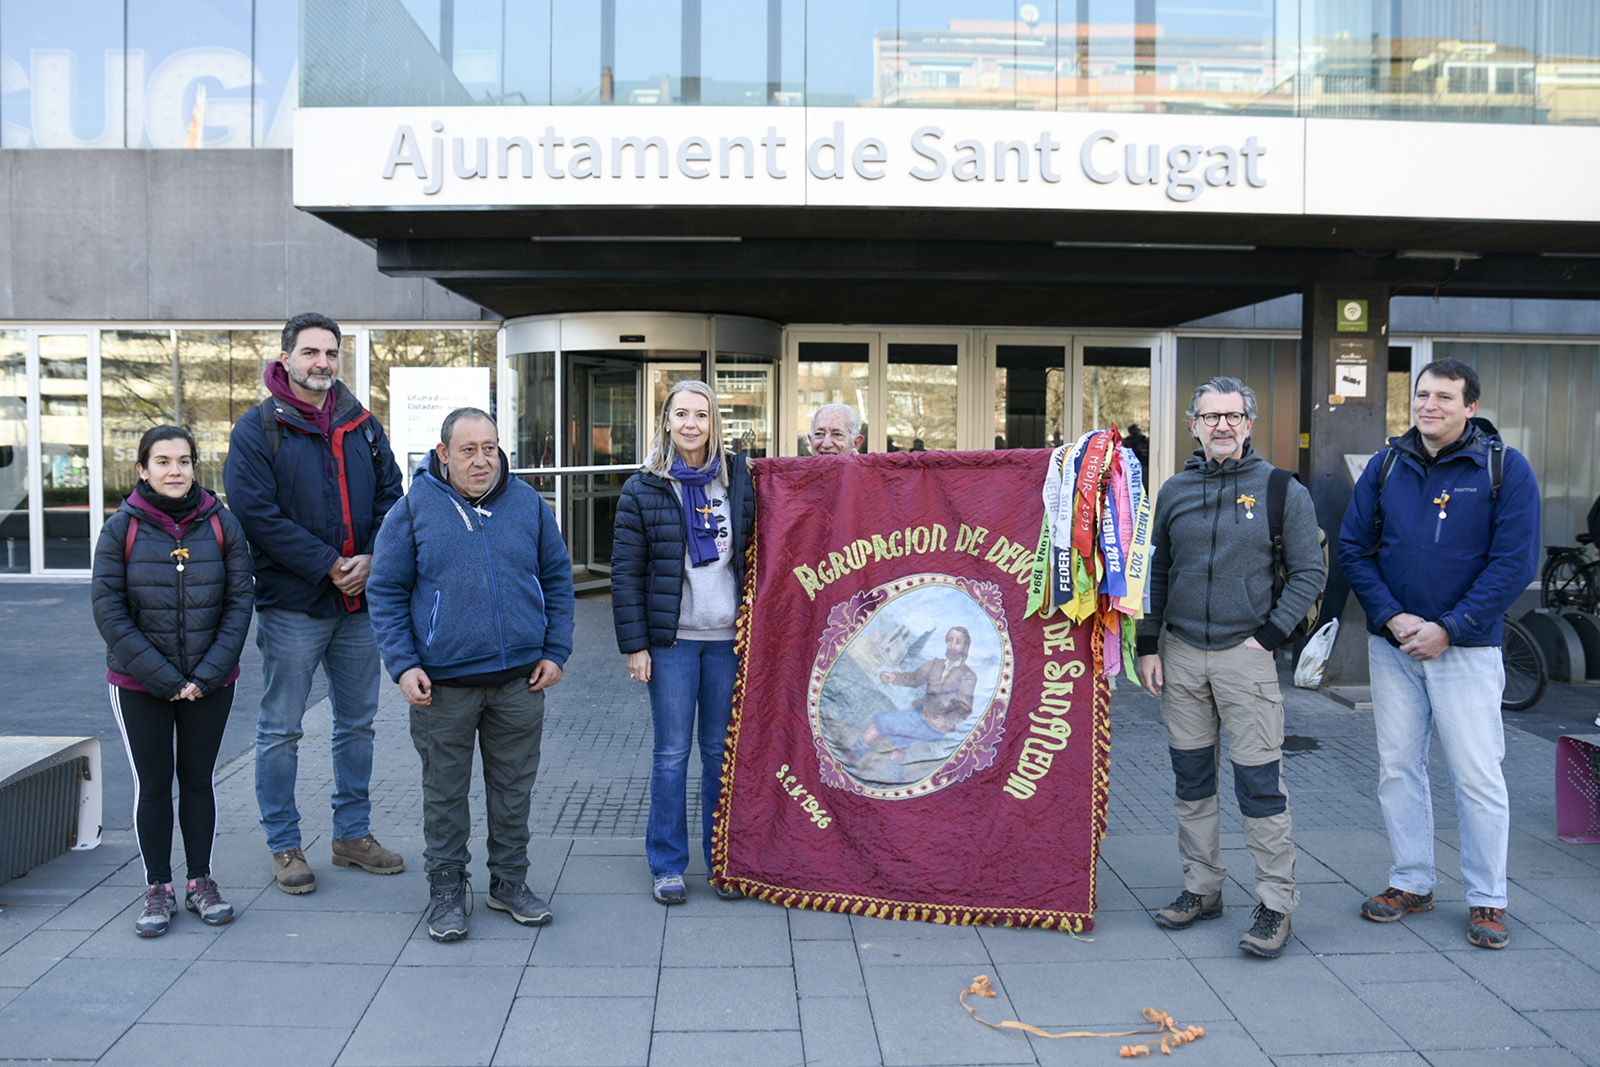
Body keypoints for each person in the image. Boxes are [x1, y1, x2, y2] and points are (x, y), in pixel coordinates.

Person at [1338, 358, 1539, 950]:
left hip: (1467, 650)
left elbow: (1514, 564)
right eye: (1422, 395)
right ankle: (1412, 882)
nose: (1429, 405)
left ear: (1470, 407)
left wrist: (1450, 627)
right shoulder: (1387, 464)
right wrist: (1394, 617)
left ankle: (1487, 899)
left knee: (1477, 776)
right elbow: (1354, 548)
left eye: (1444, 397)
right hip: (1394, 645)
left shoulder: (1504, 469)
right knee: (1399, 769)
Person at [1136, 376, 1325, 959]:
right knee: (1192, 780)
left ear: (1249, 424)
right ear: (1192, 424)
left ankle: (1276, 904)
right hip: (1183, 654)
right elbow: (1156, 571)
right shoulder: (1173, 491)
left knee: (1259, 785)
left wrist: (1268, 638)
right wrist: (1148, 644)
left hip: (1247, 657)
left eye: (1234, 416)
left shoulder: (1280, 490)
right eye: (1211, 416)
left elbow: (1311, 574)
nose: (1223, 425)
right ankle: (1202, 888)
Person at [368, 408, 574, 942]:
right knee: (444, 793)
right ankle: (447, 890)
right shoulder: (413, 509)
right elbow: (385, 591)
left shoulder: (527, 504)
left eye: (490, 447)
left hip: (520, 681)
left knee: (513, 789)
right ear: (443, 454)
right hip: (443, 687)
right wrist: (404, 663)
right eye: (468, 449)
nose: (481, 459)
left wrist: (556, 649)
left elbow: (556, 579)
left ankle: (509, 882)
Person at [224, 312, 405, 894]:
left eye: (330, 353)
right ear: (286, 358)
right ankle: (284, 845)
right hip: (292, 605)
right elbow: (256, 515)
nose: (322, 362)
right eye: (310, 353)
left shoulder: (363, 425)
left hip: (359, 607)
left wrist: (372, 560)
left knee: (357, 725)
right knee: (281, 729)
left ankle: (352, 836)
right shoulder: (257, 430)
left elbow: (391, 498)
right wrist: (330, 565)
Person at [92, 425, 254, 936]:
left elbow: (239, 603)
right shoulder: (122, 528)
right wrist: (165, 679)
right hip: (140, 684)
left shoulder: (222, 524)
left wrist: (204, 675)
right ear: (143, 469)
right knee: (155, 784)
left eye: (183, 461)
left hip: (210, 682)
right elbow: (108, 610)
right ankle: (158, 887)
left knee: (199, 781)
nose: (175, 471)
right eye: (162, 461)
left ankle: (200, 880)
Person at [612, 380, 755, 905]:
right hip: (672, 644)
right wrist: (636, 645)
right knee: (672, 753)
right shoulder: (644, 489)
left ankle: (723, 862)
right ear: (666, 422)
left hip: (727, 641)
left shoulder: (740, 480)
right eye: (681, 414)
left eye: (702, 414)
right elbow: (627, 574)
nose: (692, 424)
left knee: (721, 753)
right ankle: (668, 865)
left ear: (714, 422)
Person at [855, 627, 978, 765]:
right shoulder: (935, 664)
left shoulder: (968, 676)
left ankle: (854, 755)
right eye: (950, 640)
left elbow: (964, 707)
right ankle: (896, 778)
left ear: (965, 646)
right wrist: (893, 677)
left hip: (936, 726)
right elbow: (914, 679)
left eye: (957, 641)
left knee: (881, 722)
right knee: (900, 745)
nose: (952, 644)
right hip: (921, 714)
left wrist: (945, 720)